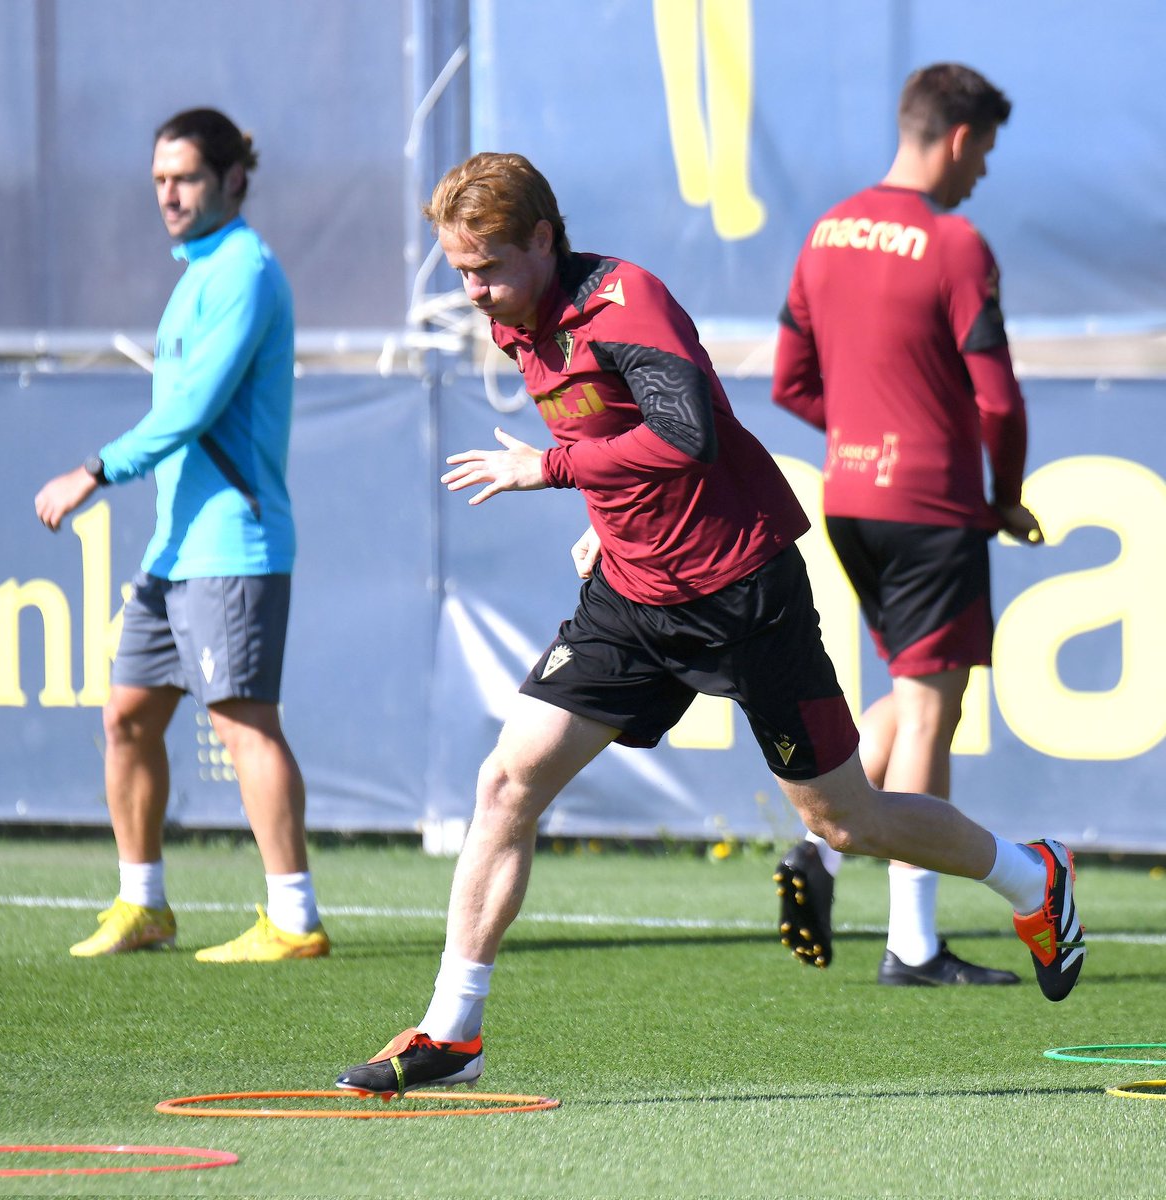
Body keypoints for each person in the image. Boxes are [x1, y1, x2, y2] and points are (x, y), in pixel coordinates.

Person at [334, 152, 1083, 1097]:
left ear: (541, 237)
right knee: (505, 783)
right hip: (631, 599)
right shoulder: (521, 318)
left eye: (486, 266)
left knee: (843, 821)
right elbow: (607, 438)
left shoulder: (624, 301)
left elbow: (683, 436)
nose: (474, 291)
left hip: (742, 591)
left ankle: (1031, 877)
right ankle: (454, 1032)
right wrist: (601, 526)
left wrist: (550, 474)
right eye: (459, 272)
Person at [34, 107, 328, 963]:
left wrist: (94, 469)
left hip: (233, 543)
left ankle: (294, 916)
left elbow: (191, 407)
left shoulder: (244, 270)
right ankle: (145, 905)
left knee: (244, 723)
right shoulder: (197, 270)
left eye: (186, 178)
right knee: (126, 717)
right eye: (159, 179)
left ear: (235, 178)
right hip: (175, 549)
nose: (168, 194)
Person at [771, 62, 1042, 988]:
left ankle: (824, 851)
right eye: (986, 153)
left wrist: (861, 436)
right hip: (932, 504)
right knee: (933, 705)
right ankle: (914, 943)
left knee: (920, 690)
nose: (983, 175)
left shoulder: (825, 232)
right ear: (960, 138)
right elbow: (998, 402)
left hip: (849, 498)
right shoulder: (956, 242)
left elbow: (789, 381)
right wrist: (1002, 492)